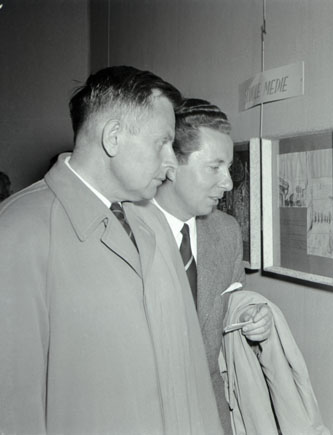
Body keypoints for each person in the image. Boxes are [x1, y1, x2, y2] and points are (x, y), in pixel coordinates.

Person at [0, 66, 222, 434]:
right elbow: (12, 409)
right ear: (114, 137)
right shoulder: (18, 231)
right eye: (162, 142)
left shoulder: (151, 221)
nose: (171, 164)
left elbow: (188, 371)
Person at [146, 98, 272, 432]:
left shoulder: (226, 231)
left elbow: (230, 309)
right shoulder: (126, 231)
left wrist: (253, 318)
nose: (228, 183)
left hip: (210, 415)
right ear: (171, 164)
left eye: (228, 168)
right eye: (215, 167)